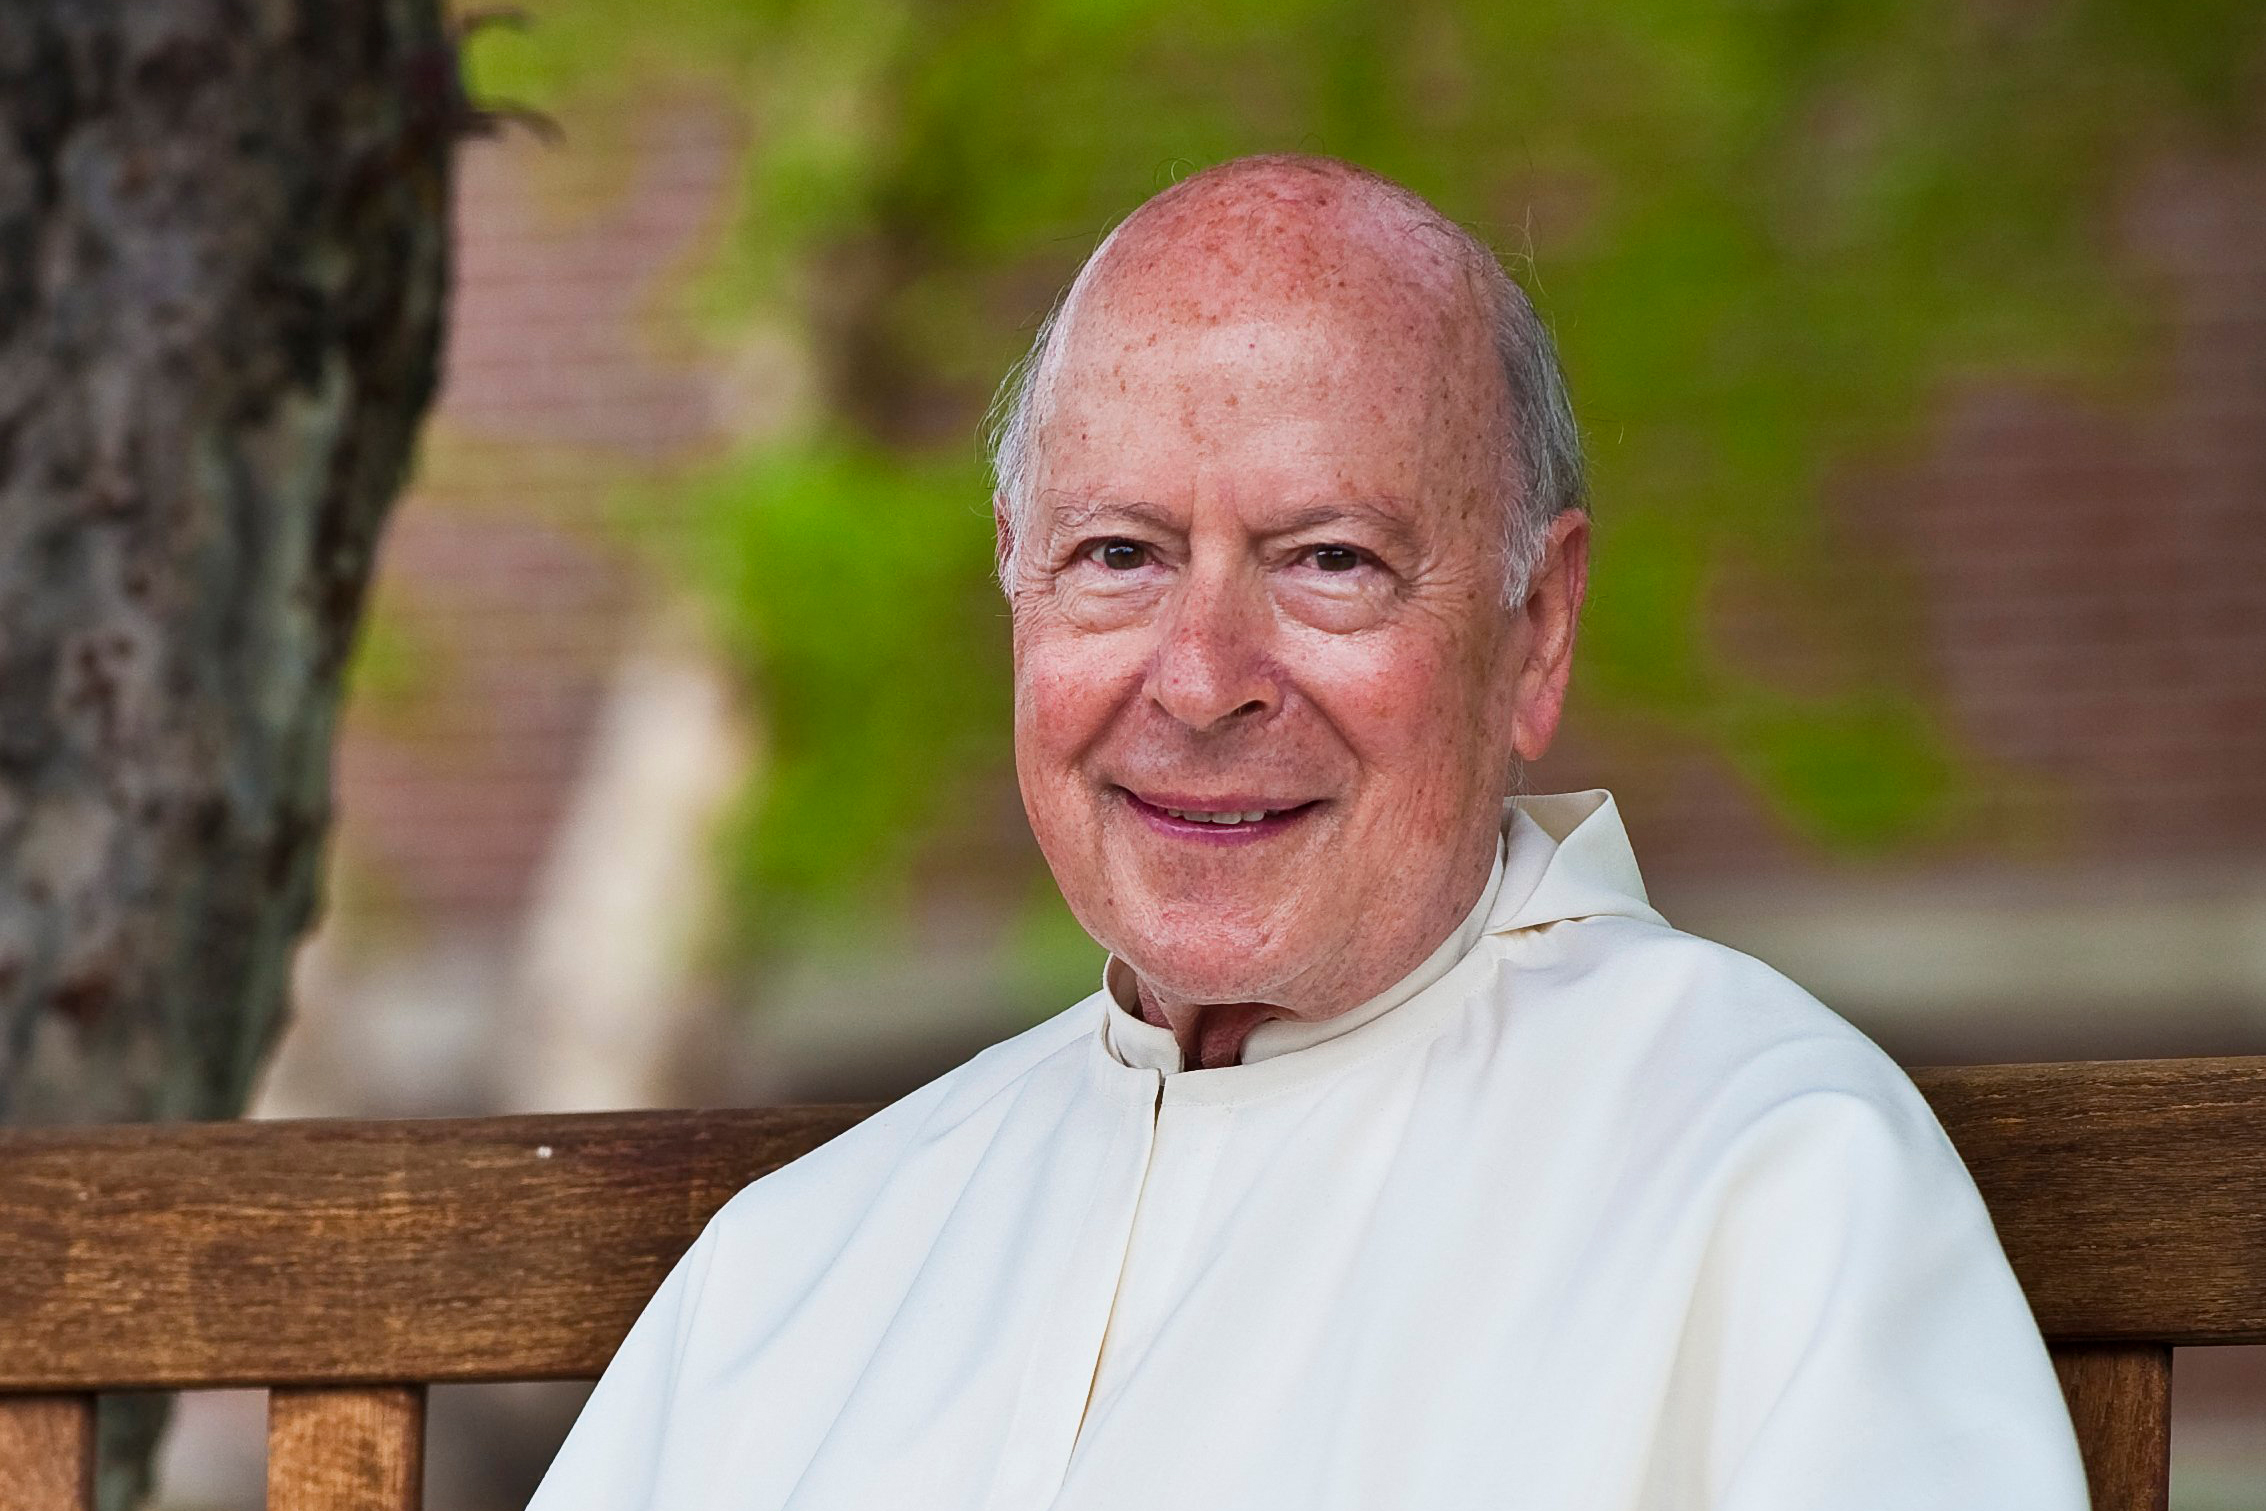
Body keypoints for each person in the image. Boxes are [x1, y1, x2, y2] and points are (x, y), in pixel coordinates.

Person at [525, 154, 2087, 1510]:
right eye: (1119, 553)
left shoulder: (1768, 1173)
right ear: (1013, 577)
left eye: (1328, 561)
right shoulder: (792, 1266)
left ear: (1534, 630)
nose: (1201, 682)